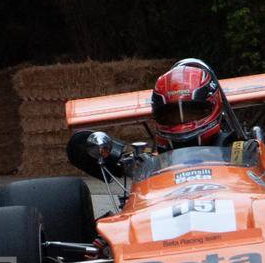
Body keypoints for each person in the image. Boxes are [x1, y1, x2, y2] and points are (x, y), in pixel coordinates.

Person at [67, 59, 246, 179]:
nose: (182, 121)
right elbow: (79, 146)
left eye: (191, 111)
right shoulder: (148, 164)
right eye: (172, 114)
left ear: (213, 105)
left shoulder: (242, 153)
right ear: (157, 115)